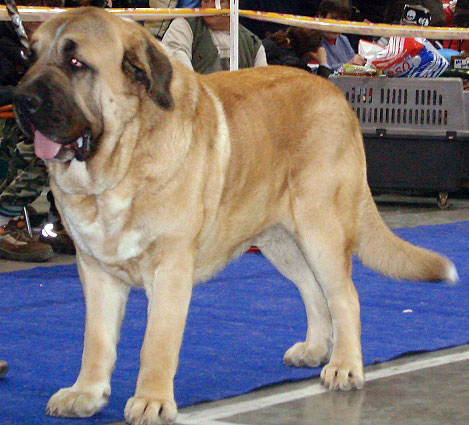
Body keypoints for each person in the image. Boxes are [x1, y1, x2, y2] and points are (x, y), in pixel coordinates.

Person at [162, 0, 267, 74]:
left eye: (219, 2)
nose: (209, 7)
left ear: (235, 4)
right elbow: (179, 72)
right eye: (206, 1)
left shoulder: (252, 43)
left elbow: (261, 87)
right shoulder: (184, 25)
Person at [263, 26, 333, 78]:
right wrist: (323, 63)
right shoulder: (296, 67)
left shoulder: (270, 43)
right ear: (311, 54)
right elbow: (321, 92)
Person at [316, 0, 366, 70]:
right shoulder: (312, 41)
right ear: (321, 16)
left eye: (342, 21)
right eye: (334, 19)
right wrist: (346, 67)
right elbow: (313, 73)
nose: (338, 25)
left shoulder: (344, 40)